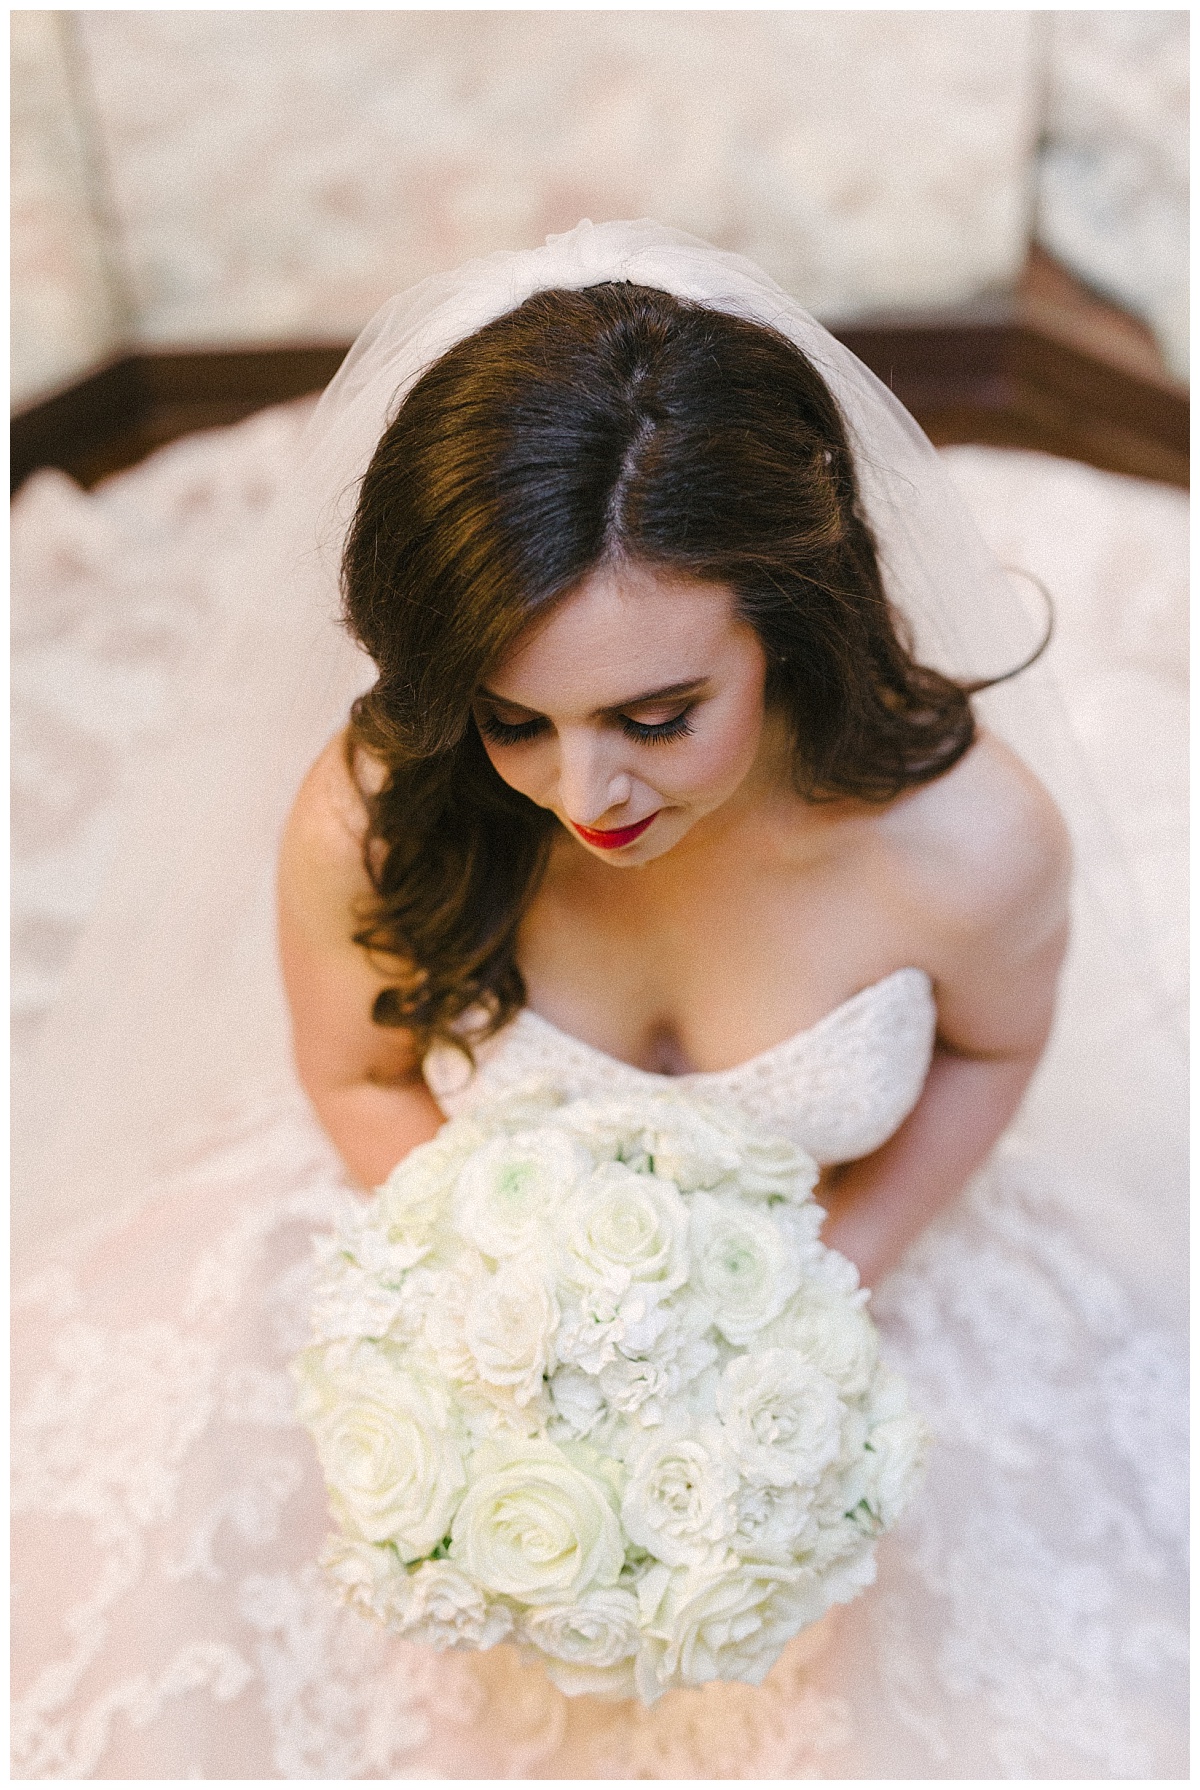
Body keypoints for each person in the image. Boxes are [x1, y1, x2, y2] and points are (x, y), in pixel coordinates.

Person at [12, 223, 1186, 1779]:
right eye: (515, 721)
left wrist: (827, 1276)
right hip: (467, 1323)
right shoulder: (377, 815)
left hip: (835, 1312)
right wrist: (515, 1318)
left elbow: (999, 1039)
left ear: (786, 617)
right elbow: (358, 1077)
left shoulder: (967, 844)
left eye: (657, 713)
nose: (590, 792)